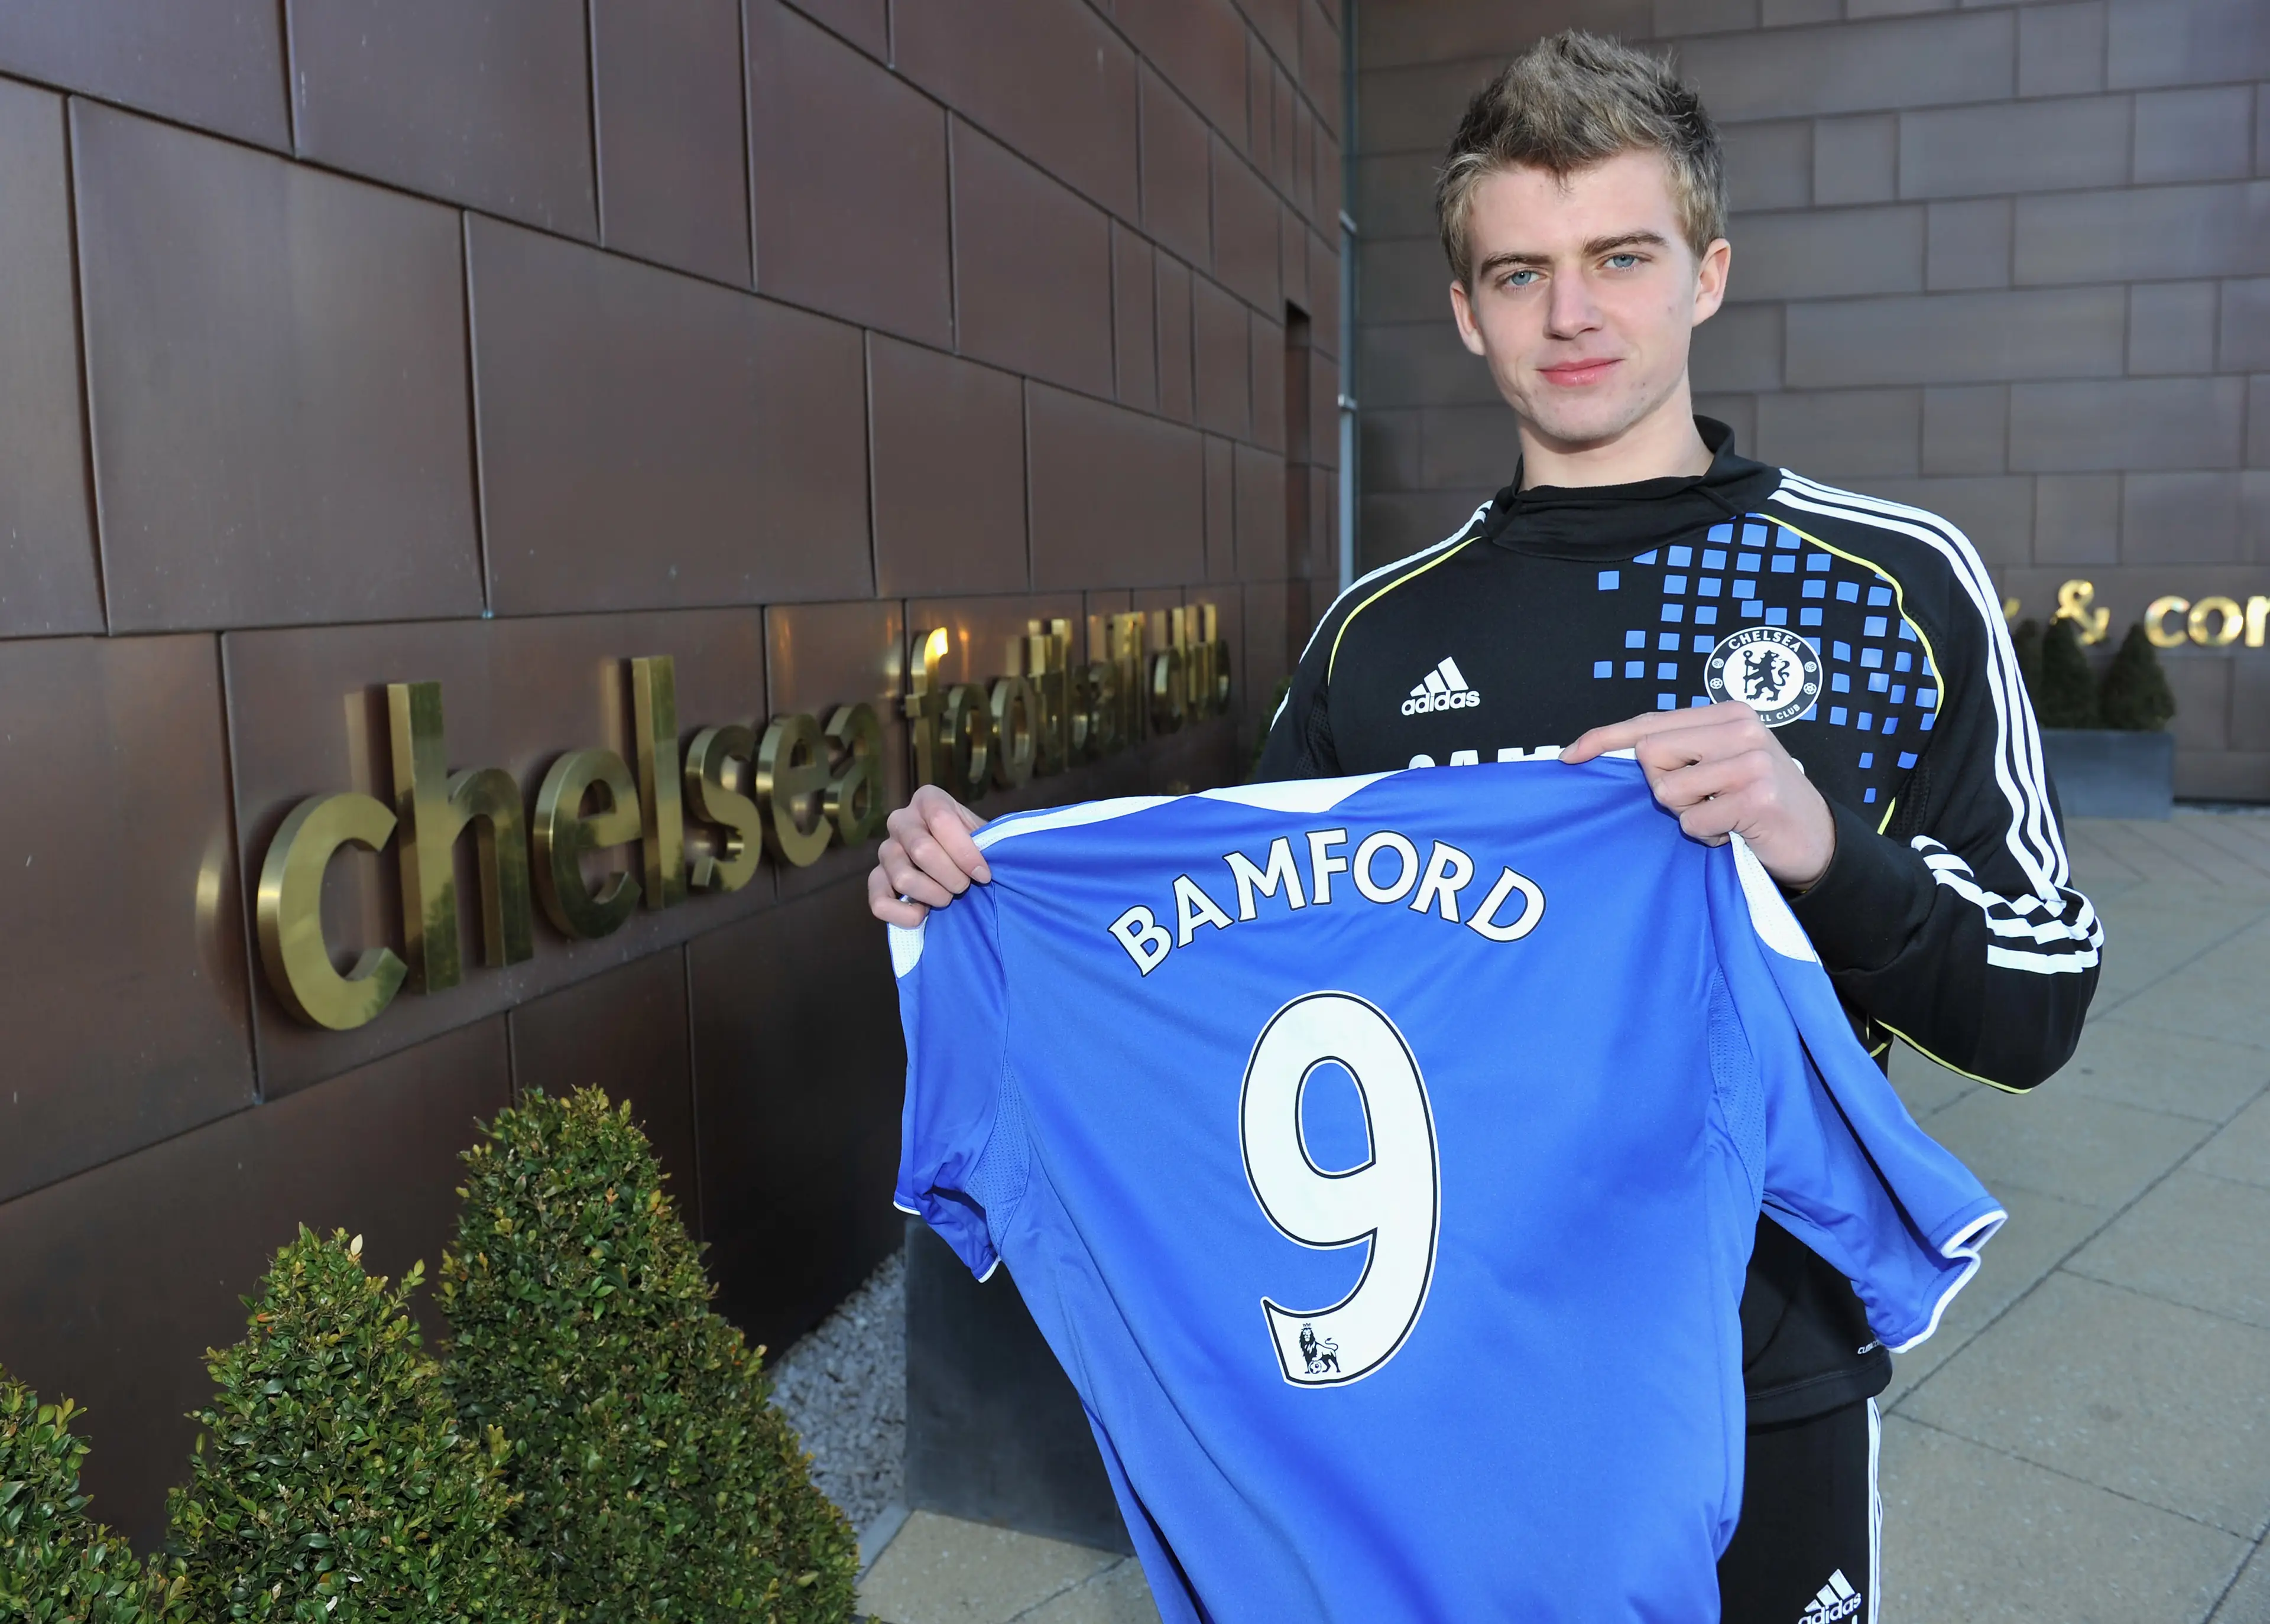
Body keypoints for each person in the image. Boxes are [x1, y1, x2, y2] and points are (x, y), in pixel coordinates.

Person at [870, 31, 2100, 1623]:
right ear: (1463, 310)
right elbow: (1239, 985)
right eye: (1519, 273)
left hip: (1760, 1361)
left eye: (1620, 257)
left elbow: (2040, 1005)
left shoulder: (1888, 587)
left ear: (1708, 273)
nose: (1571, 313)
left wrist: (1814, 841)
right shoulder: (1377, 638)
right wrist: (982, 897)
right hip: (1436, 1389)